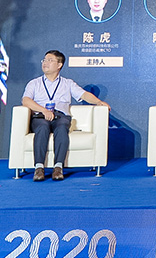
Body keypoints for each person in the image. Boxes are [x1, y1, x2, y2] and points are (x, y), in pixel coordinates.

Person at [21, 49, 111, 181]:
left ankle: (58, 167)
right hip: (40, 116)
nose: (45, 63)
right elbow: (26, 100)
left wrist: (99, 102)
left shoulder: (67, 83)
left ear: (59, 65)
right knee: (42, 127)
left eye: (50, 60)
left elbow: (83, 95)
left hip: (60, 116)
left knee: (62, 127)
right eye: (44, 60)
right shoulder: (34, 83)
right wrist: (44, 110)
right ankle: (39, 168)